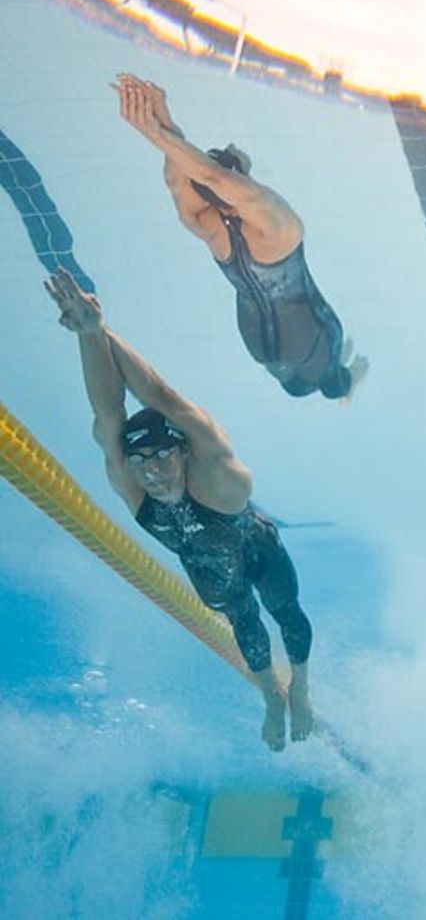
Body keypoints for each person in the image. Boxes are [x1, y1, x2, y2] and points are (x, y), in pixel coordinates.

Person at [44, 267, 315, 751]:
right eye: (140, 459)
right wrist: (89, 335)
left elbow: (161, 397)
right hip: (210, 571)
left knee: (284, 610)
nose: (150, 470)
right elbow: (109, 414)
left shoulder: (221, 478)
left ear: (184, 451)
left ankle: (302, 688)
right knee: (244, 621)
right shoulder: (133, 485)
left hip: (256, 549)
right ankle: (272, 698)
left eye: (162, 454)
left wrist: (103, 329)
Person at [113, 73, 367, 400]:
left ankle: (343, 385)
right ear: (240, 176)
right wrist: (159, 125)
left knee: (314, 384)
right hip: (294, 345)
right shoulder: (268, 224)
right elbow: (201, 176)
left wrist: (161, 127)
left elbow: (196, 178)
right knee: (328, 381)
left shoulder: (222, 223)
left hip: (274, 343)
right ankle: (342, 385)